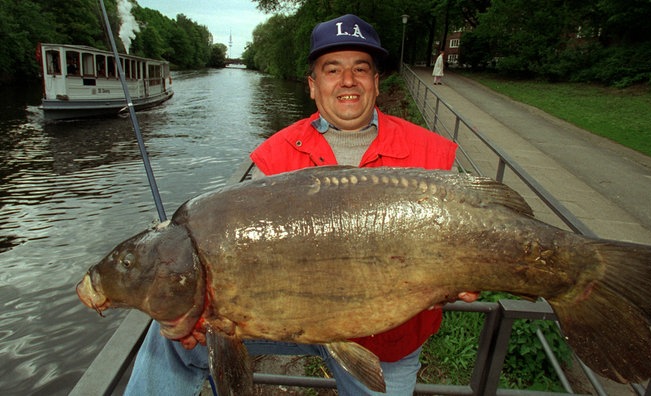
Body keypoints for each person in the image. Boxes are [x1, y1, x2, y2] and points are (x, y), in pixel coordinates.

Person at [125, 14, 478, 396]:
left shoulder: (433, 155)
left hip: (385, 337)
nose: (348, 81)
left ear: (376, 83)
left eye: (360, 69)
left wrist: (465, 272)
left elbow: (473, 241)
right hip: (290, 322)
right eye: (332, 69)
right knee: (168, 343)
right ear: (312, 85)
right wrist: (196, 314)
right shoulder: (273, 159)